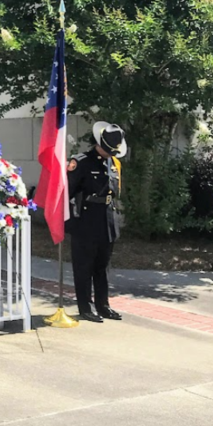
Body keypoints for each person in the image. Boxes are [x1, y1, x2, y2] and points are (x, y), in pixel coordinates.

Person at [66, 122, 126, 323]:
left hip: (107, 221)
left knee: (102, 267)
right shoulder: (81, 163)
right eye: (108, 149)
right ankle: (85, 307)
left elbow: (115, 192)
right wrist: (69, 223)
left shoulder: (114, 163)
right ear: (99, 144)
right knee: (84, 267)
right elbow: (66, 194)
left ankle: (103, 305)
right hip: (85, 221)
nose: (111, 153)